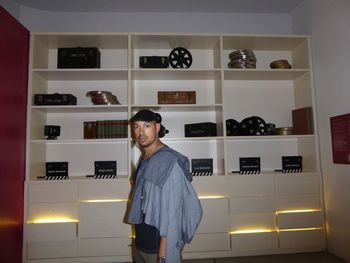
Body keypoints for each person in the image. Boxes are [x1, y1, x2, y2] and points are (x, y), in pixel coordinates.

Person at [126, 109, 203, 263]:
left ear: (157, 128)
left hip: (157, 249)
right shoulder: (145, 158)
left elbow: (173, 212)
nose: (140, 132)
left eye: (147, 126)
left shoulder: (168, 162)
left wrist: (164, 253)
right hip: (141, 243)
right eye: (136, 127)